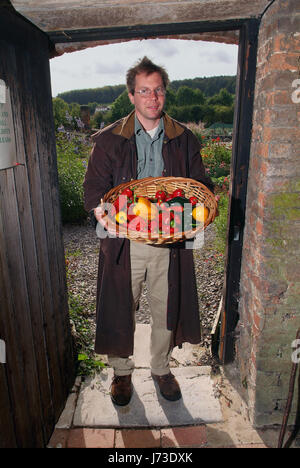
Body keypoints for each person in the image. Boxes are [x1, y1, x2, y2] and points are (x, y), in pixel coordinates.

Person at [83, 56, 214, 406]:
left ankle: (160, 368)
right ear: (131, 96)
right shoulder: (109, 140)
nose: (152, 98)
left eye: (157, 90)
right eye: (144, 91)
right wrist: (100, 209)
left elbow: (200, 185)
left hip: (170, 239)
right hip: (123, 241)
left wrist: (194, 218)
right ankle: (122, 373)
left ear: (164, 93)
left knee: (166, 306)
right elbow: (94, 189)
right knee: (120, 305)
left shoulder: (183, 139)